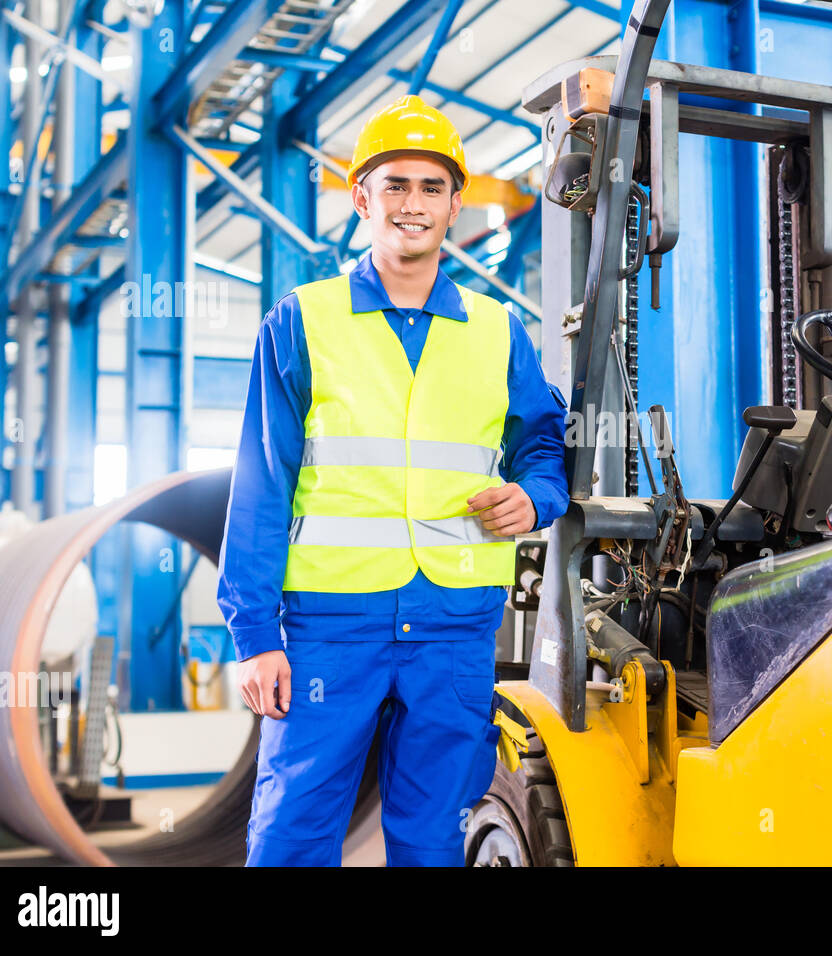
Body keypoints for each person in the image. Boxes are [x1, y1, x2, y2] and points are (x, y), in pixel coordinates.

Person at [216, 95, 568, 867]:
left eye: (432, 187)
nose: (414, 204)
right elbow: (261, 482)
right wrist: (252, 634)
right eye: (395, 185)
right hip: (327, 628)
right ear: (362, 199)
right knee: (290, 834)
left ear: (453, 203)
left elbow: (544, 444)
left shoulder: (496, 330)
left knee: (433, 837)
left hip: (454, 624)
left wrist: (534, 497)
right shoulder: (302, 321)